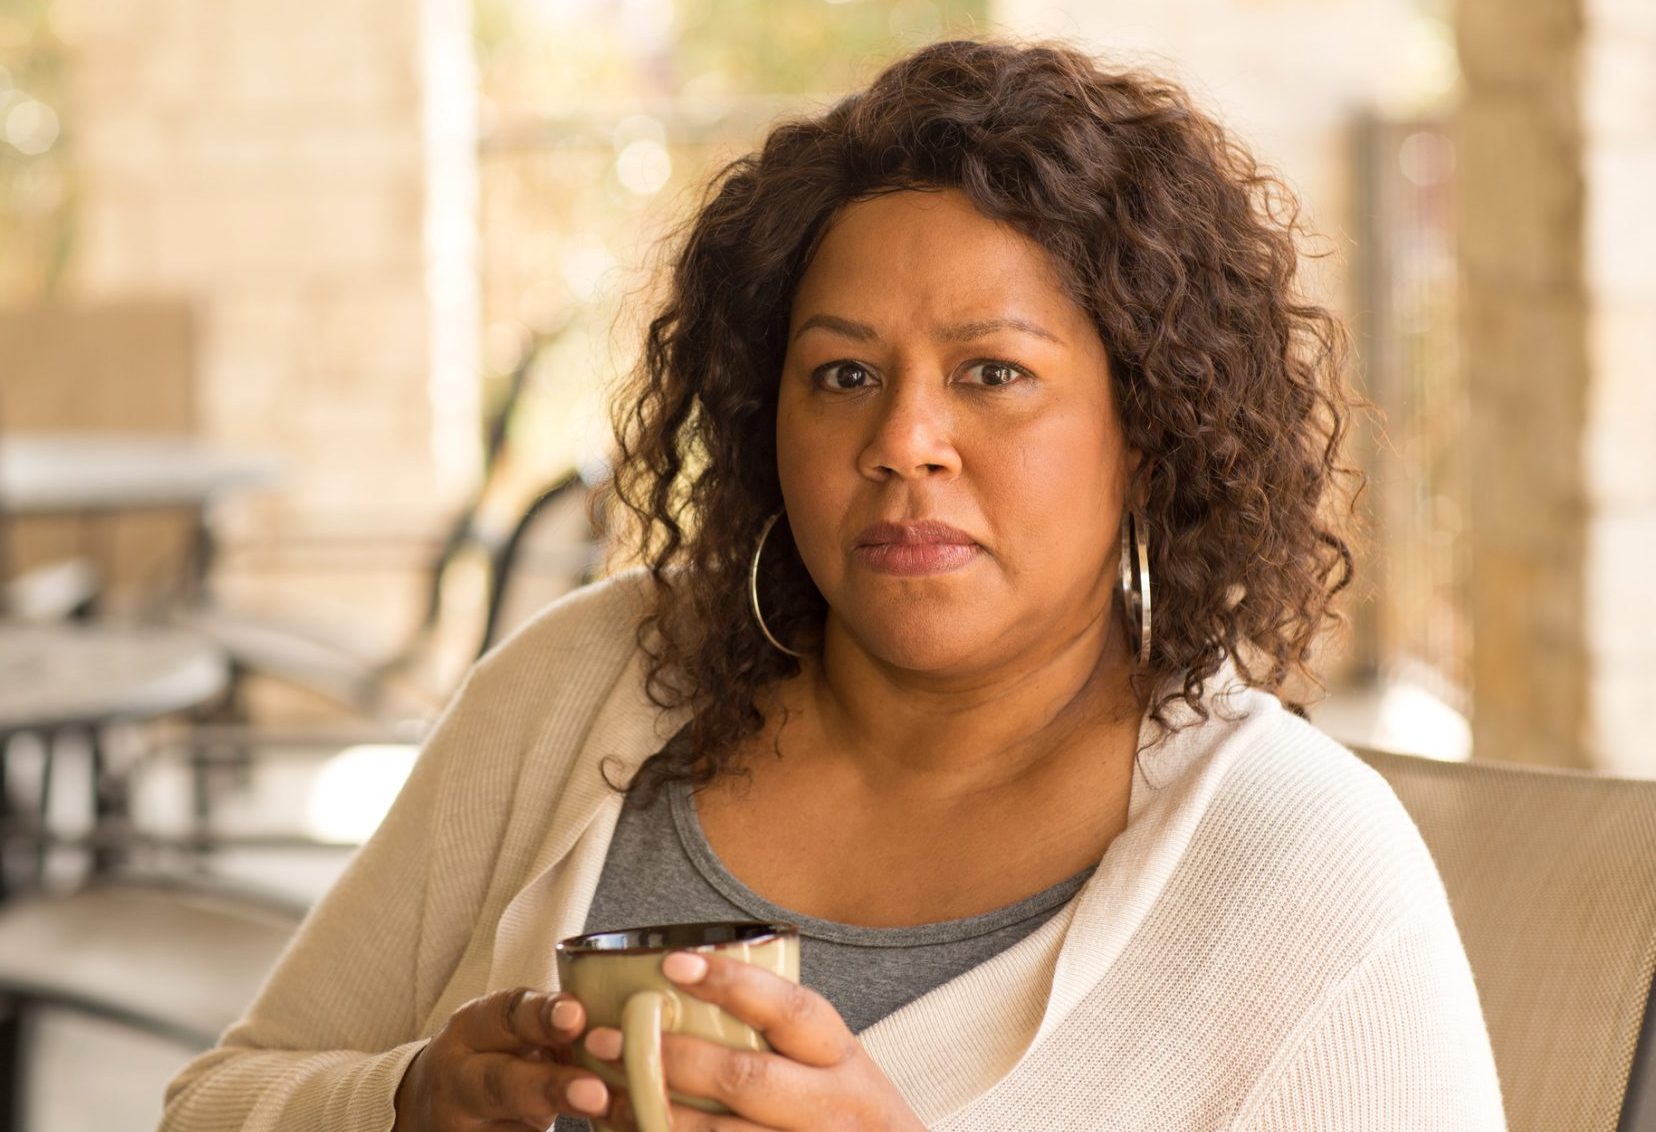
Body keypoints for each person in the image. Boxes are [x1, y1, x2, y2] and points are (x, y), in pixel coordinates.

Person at [161, 37, 1505, 1132]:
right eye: (844, 375)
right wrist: (403, 1104)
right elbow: (214, 1104)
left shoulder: (1298, 869)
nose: (902, 440)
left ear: (1147, 429)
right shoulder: (580, 687)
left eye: (993, 373)